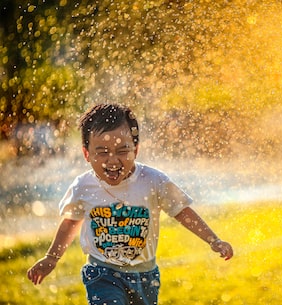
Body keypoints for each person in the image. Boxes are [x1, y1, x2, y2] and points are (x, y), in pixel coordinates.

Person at [27, 103, 233, 305]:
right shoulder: (84, 186)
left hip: (145, 275)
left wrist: (213, 240)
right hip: (102, 272)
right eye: (102, 152)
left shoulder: (153, 181)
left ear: (136, 149)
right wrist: (52, 257)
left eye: (122, 150)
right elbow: (71, 222)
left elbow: (182, 211)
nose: (113, 160)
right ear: (87, 154)